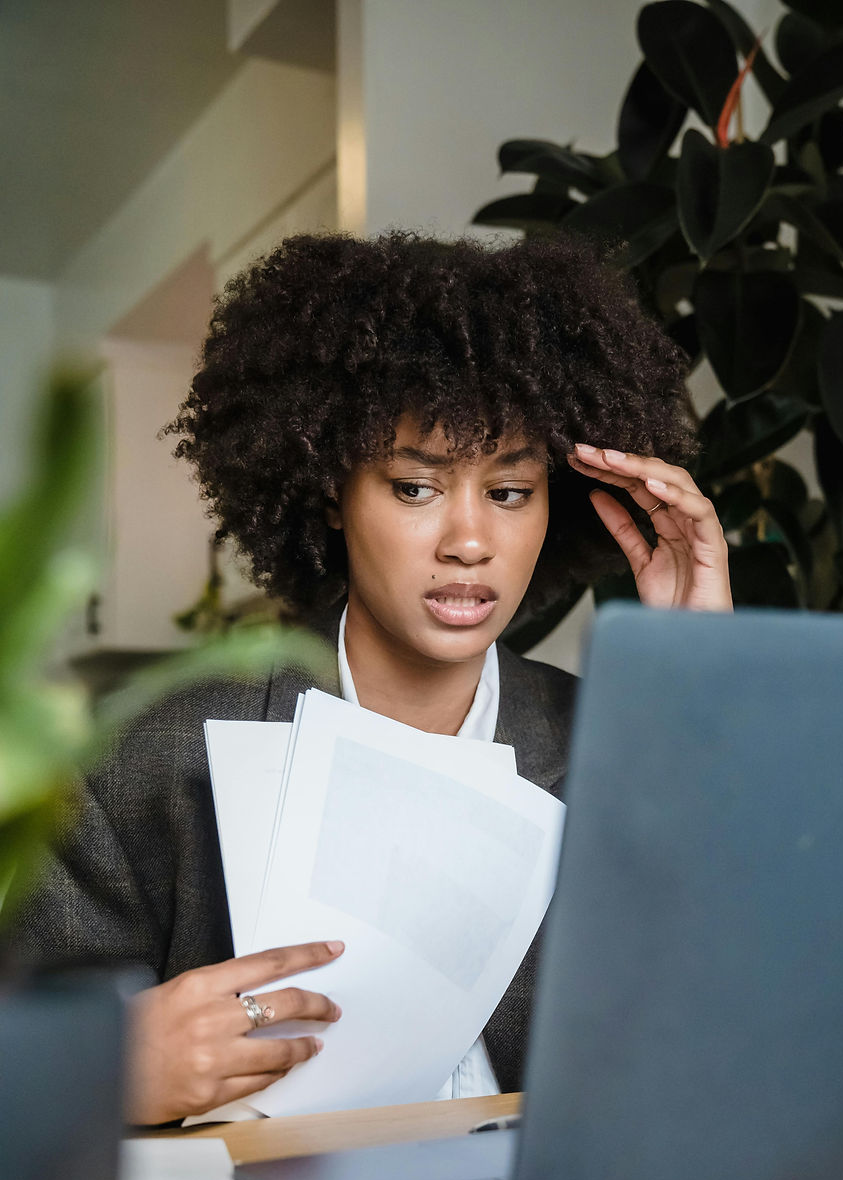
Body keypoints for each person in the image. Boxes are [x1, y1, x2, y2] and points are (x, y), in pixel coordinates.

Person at [11, 231, 732, 1124]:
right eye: (414, 487)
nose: (470, 541)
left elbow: (735, 1019)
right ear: (328, 491)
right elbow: (24, 1055)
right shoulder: (149, 755)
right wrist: (105, 1071)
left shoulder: (626, 743)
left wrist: (702, 688)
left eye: (509, 493)